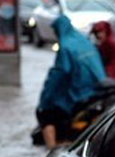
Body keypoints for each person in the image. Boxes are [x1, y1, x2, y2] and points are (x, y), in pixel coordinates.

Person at [36, 15, 106, 149]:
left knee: (46, 114)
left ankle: (51, 149)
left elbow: (60, 73)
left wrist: (45, 99)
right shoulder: (84, 41)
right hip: (98, 89)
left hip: (80, 94)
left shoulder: (66, 46)